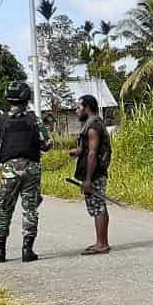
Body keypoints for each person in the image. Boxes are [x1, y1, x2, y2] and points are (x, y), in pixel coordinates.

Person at [0, 81, 53, 264]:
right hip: (31, 170)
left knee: (4, 210)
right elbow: (48, 144)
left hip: (9, 171)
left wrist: (1, 154)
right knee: (30, 209)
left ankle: (0, 251)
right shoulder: (34, 120)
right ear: (26, 98)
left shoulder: (0, 120)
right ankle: (27, 250)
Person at [69, 95, 112, 255]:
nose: (76, 110)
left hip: (94, 173)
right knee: (98, 205)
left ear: (87, 108)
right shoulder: (92, 124)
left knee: (98, 206)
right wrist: (77, 151)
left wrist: (87, 180)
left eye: (78, 107)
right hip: (95, 172)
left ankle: (102, 244)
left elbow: (93, 153)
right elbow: (87, 149)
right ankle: (101, 242)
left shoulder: (93, 126)